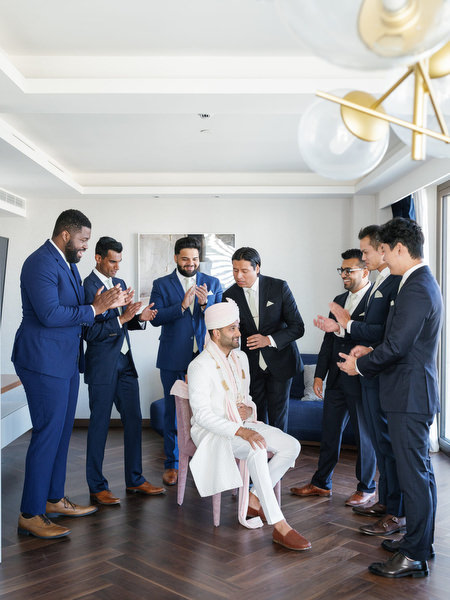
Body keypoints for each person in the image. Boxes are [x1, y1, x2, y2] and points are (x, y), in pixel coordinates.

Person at [12, 209, 128, 539]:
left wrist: (102, 302)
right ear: (66, 235)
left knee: (62, 433)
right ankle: (30, 513)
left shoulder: (68, 264)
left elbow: (78, 310)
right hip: (42, 359)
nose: (84, 247)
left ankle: (52, 499)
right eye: (82, 240)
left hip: (64, 359)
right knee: (48, 432)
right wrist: (95, 308)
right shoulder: (40, 263)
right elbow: (49, 314)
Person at [338, 218, 442, 579]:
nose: (380, 256)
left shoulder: (415, 287)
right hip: (409, 393)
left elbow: (398, 346)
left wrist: (360, 365)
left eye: (382, 250)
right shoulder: (414, 283)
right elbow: (397, 339)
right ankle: (419, 543)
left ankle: (414, 553)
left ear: (399, 248)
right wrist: (372, 347)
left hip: (410, 395)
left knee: (415, 476)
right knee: (419, 474)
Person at [187, 299, 311, 551]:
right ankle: (280, 525)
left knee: (291, 446)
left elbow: (248, 399)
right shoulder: (199, 366)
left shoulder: (241, 358)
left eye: (238, 327)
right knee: (255, 448)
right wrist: (241, 430)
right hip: (214, 432)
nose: (239, 333)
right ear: (215, 333)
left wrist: (249, 409)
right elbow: (201, 416)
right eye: (232, 328)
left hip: (243, 422)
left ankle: (254, 497)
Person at [329, 226, 404, 536]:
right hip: (369, 371)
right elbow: (379, 332)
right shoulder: (383, 283)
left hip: (381, 376)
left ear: (384, 250)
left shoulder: (397, 284)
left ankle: (397, 512)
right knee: (381, 443)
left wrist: (348, 326)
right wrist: (359, 338)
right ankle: (387, 502)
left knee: (387, 446)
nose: (364, 257)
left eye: (367, 252)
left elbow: (386, 333)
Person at [290, 249, 377, 506]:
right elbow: (328, 342)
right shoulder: (339, 299)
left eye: (349, 270)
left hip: (362, 379)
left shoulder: (376, 300)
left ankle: (367, 487)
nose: (344, 275)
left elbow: (371, 338)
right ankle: (321, 483)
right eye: (342, 270)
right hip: (337, 381)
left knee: (364, 436)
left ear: (365, 270)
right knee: (329, 432)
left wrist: (342, 328)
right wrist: (319, 376)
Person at [83, 237, 165, 505]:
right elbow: (89, 332)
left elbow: (122, 325)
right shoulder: (86, 286)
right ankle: (97, 486)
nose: (117, 267)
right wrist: (121, 317)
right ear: (98, 258)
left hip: (125, 365)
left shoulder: (117, 285)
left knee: (134, 421)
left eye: (120, 261)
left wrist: (137, 318)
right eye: (112, 261)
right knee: (99, 426)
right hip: (102, 367)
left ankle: (135, 479)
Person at [150, 236, 222, 486]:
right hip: (172, 357)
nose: (191, 264)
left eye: (194, 259)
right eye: (185, 259)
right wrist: (181, 306)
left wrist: (205, 304)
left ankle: (204, 459)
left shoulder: (212, 283)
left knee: (206, 410)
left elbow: (219, 322)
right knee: (173, 411)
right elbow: (155, 318)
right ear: (175, 258)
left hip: (204, 359)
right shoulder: (161, 284)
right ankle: (172, 463)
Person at [222, 247, 304, 432]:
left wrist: (269, 339)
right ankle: (259, 459)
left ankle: (281, 459)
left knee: (278, 419)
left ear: (257, 268)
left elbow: (298, 327)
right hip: (250, 368)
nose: (238, 276)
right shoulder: (229, 295)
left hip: (281, 363)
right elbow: (229, 332)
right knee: (254, 418)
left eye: (244, 271)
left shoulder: (279, 287)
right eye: (235, 270)